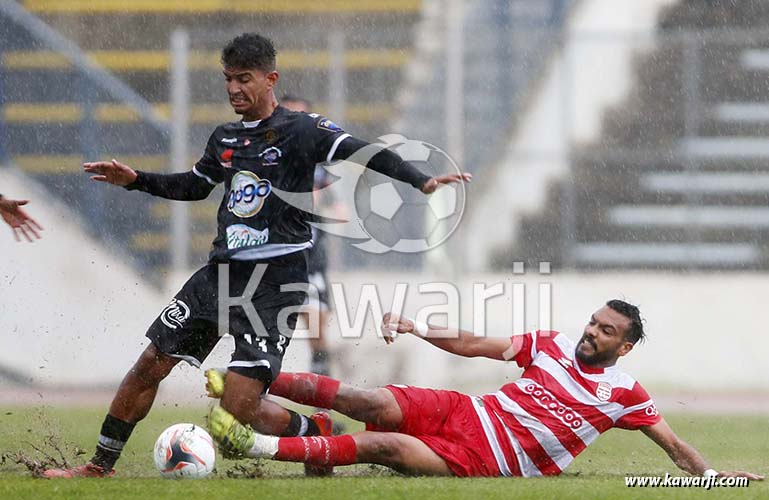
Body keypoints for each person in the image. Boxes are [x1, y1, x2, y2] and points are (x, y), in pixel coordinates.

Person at [42, 32, 470, 478]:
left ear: (270, 80)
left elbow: (363, 151)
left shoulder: (303, 130)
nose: (233, 89)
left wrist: (420, 180)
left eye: (243, 79)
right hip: (219, 276)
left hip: (274, 285)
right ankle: (99, 466)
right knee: (150, 364)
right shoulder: (225, 137)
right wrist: (136, 180)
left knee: (237, 415)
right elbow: (194, 186)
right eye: (228, 79)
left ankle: (313, 429)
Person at [206, 300, 763, 480]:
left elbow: (671, 446)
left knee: (386, 448)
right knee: (367, 399)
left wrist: (717, 478)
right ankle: (252, 375)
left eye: (606, 331)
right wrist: (419, 327)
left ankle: (253, 445)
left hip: (484, 457)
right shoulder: (550, 343)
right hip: (466, 410)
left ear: (626, 346)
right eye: (593, 323)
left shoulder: (624, 394)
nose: (592, 333)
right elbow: (474, 344)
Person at [280, 94, 336, 378]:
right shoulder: (259, 158)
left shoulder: (316, 165)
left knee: (316, 327)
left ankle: (323, 403)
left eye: (301, 118)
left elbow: (339, 208)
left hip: (309, 260)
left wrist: (316, 200)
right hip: (270, 262)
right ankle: (253, 401)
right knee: (261, 332)